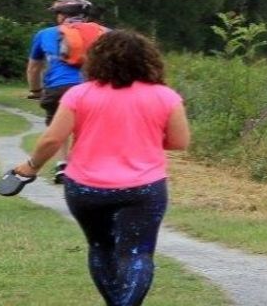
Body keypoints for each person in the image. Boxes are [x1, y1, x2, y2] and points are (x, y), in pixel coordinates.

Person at [12, 30, 190, 306]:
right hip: (143, 189)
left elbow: (53, 139)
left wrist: (30, 167)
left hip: (85, 188)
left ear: (94, 60)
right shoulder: (165, 96)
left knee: (101, 248)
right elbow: (179, 142)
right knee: (136, 254)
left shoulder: (78, 94)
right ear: (149, 60)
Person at [26, 0, 108, 183]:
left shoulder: (44, 34)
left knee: (59, 126)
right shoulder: (105, 33)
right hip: (94, 88)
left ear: (61, 16)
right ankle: (86, 166)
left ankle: (62, 165)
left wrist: (36, 90)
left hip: (58, 87)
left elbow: (34, 67)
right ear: (85, 16)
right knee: (90, 127)